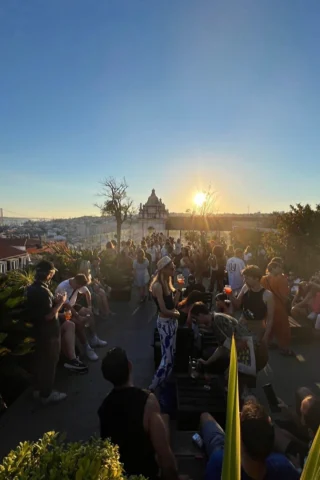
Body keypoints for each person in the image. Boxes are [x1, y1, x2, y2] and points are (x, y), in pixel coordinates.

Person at [98, 348, 179, 480]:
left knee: (164, 418)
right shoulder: (148, 402)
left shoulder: (104, 406)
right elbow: (164, 456)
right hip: (145, 475)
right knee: (163, 420)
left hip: (118, 475)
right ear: (130, 366)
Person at [202, 400, 300, 479]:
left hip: (225, 452)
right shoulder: (283, 466)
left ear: (239, 441)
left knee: (206, 417)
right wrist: (297, 469)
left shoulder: (219, 464)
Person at [26, 260, 67, 404]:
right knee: (50, 363)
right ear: (48, 274)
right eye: (52, 273)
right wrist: (61, 302)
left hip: (38, 333)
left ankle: (38, 390)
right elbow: (48, 316)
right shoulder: (43, 292)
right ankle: (47, 394)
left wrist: (54, 303)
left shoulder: (31, 289)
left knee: (40, 362)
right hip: (49, 334)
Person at [190, 303, 257, 378]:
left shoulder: (217, 321)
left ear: (200, 315)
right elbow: (222, 347)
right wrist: (207, 362)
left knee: (231, 380)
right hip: (249, 348)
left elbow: (236, 345)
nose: (196, 322)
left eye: (195, 319)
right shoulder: (216, 319)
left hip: (251, 350)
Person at [149, 256, 183, 391]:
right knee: (167, 358)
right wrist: (177, 315)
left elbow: (172, 305)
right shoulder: (157, 286)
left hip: (171, 322)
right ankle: (153, 386)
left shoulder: (167, 283)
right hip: (165, 323)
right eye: (171, 268)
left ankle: (165, 383)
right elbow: (163, 310)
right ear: (163, 270)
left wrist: (179, 290)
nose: (174, 270)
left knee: (170, 354)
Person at [56, 274, 107, 361]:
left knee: (89, 313)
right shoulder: (63, 287)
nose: (77, 288)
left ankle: (94, 338)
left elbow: (87, 292)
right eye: (77, 286)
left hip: (72, 305)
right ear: (75, 281)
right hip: (62, 309)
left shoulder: (78, 283)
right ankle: (87, 347)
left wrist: (90, 306)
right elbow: (67, 306)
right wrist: (78, 316)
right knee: (78, 323)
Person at [231, 265, 274, 344]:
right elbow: (237, 304)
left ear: (256, 278)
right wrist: (230, 295)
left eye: (247, 278)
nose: (244, 280)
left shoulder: (267, 295)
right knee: (240, 352)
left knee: (255, 353)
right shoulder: (245, 288)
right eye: (244, 278)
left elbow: (270, 318)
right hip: (243, 323)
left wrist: (266, 336)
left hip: (258, 327)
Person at [261, 262, 294, 356]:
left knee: (269, 325)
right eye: (279, 267)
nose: (281, 269)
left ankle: (269, 342)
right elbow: (284, 295)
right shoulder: (281, 279)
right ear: (274, 268)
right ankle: (284, 348)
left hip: (267, 306)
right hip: (278, 307)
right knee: (283, 328)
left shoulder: (263, 279)